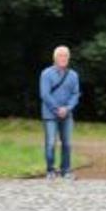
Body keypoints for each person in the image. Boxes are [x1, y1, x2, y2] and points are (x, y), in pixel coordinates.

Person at [39, 46, 81, 181]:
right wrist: (57, 109)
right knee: (50, 143)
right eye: (61, 56)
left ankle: (66, 171)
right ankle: (50, 170)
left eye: (66, 56)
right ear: (55, 58)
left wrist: (67, 109)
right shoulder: (46, 74)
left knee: (67, 143)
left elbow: (75, 94)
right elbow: (44, 94)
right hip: (50, 115)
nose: (63, 58)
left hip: (67, 115)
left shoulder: (73, 75)